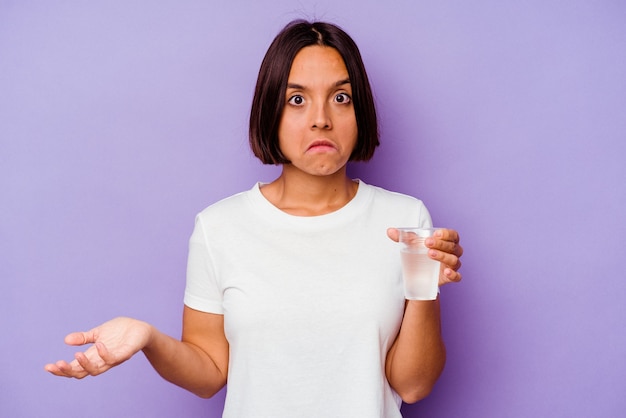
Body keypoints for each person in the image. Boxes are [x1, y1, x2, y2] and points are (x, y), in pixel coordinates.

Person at [45, 20, 463, 417]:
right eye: (296, 99)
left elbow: (413, 386)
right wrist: (147, 338)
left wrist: (424, 286)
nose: (322, 118)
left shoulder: (404, 218)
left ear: (360, 111)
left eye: (341, 97)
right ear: (270, 112)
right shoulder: (219, 227)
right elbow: (209, 373)